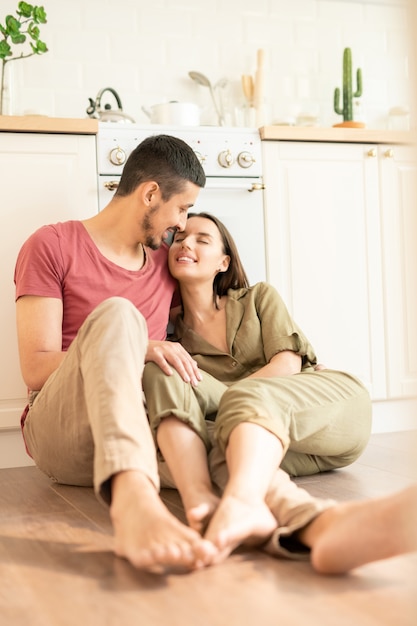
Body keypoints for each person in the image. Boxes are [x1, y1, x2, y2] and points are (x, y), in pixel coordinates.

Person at [14, 134, 222, 571]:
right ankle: (133, 500)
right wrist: (139, 347)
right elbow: (35, 368)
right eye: (181, 208)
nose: (182, 225)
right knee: (118, 316)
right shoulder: (51, 245)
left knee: (237, 452)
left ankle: (296, 518)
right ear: (150, 193)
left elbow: (206, 334)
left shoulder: (167, 261)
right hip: (64, 429)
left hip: (148, 430)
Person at [143, 211, 381, 569]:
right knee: (212, 446)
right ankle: (306, 522)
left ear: (224, 262)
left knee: (226, 416)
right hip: (276, 447)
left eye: (201, 239)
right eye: (178, 239)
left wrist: (222, 399)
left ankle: (243, 496)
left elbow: (286, 365)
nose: (186, 243)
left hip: (326, 419)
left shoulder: (258, 298)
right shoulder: (170, 339)